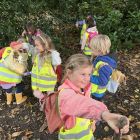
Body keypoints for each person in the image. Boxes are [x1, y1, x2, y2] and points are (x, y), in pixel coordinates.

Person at [57, 54, 129, 140]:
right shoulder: (64, 93)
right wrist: (103, 114)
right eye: (83, 74)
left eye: (89, 74)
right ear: (69, 73)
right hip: (70, 136)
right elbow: (80, 104)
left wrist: (93, 122)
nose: (87, 78)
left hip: (87, 132)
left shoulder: (85, 88)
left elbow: (88, 103)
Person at [31, 33, 62, 108]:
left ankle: (51, 107)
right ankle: (44, 101)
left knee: (51, 97)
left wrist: (51, 51)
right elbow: (35, 69)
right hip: (38, 83)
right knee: (37, 94)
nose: (36, 47)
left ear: (45, 44)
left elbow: (58, 62)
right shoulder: (38, 55)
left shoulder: (52, 55)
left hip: (49, 85)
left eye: (37, 45)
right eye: (35, 45)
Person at [90, 34, 117, 101]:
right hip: (95, 88)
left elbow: (103, 82)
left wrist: (89, 77)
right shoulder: (104, 57)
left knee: (95, 105)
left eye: (92, 49)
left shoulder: (103, 66)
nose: (91, 51)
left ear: (99, 51)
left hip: (97, 92)